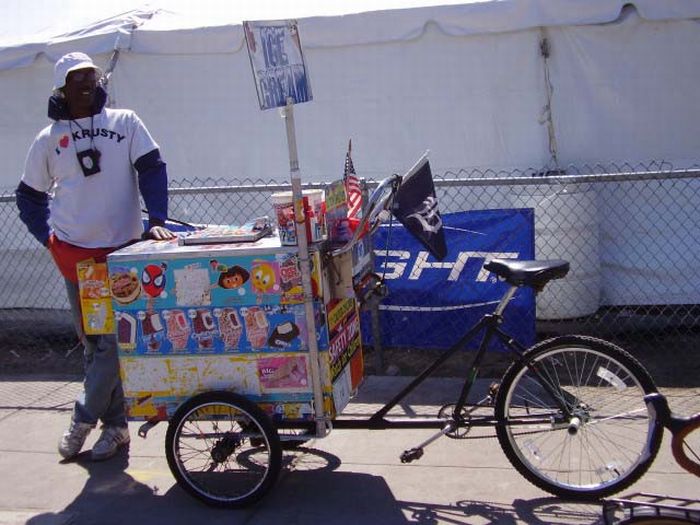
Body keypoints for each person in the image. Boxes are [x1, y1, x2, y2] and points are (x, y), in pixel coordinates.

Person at [15, 52, 176, 461]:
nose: (88, 82)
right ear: (62, 89)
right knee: (93, 344)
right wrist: (47, 238)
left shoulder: (124, 122)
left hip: (121, 255)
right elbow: (29, 197)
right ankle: (117, 427)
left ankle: (82, 418)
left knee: (110, 343)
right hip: (74, 256)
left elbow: (152, 167)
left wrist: (156, 217)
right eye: (78, 78)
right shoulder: (48, 138)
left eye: (92, 75)